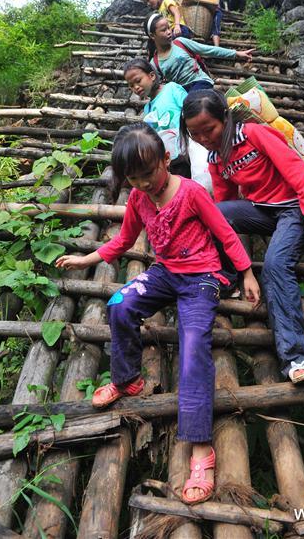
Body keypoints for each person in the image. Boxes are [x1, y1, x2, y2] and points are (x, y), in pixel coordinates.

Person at [56, 124, 261, 505]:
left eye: (148, 174)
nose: (144, 184)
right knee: (120, 305)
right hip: (165, 273)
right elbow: (123, 240)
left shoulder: (192, 193)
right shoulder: (138, 197)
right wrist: (87, 257)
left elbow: (226, 233)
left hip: (201, 278)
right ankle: (127, 379)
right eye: (134, 178)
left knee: (194, 346)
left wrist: (246, 272)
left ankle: (201, 448)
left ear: (166, 160)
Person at [181, 89, 304, 385]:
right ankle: (226, 279)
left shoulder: (255, 134)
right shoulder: (216, 157)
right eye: (194, 133)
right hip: (262, 211)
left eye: (208, 129)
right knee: (213, 212)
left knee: (276, 265)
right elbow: (223, 205)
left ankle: (296, 358)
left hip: (293, 210)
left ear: (225, 118)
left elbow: (297, 172)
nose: (203, 138)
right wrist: (237, 266)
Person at [123, 58, 212, 192]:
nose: (135, 87)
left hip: (187, 151)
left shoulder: (172, 89)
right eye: (131, 85)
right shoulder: (148, 108)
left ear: (152, 76)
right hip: (170, 159)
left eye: (138, 81)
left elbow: (189, 109)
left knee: (194, 182)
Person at [144, 13, 253, 92]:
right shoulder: (155, 63)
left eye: (169, 28)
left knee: (193, 102)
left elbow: (208, 50)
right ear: (152, 35)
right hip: (182, 93)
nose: (169, 32)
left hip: (200, 82)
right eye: (163, 30)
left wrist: (236, 53)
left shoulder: (180, 42)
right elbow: (157, 88)